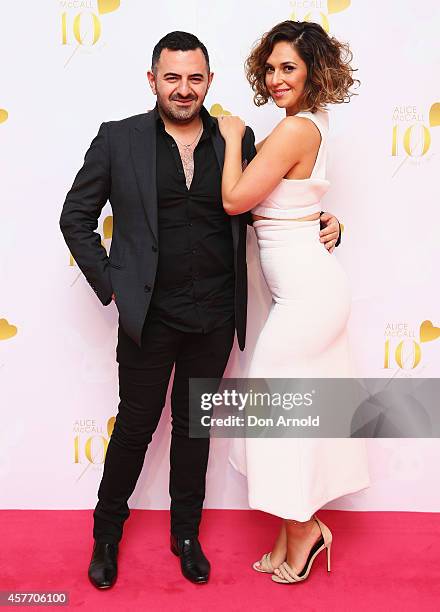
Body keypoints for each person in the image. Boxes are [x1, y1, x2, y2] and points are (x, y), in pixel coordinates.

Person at [59, 30, 342, 589]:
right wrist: (113, 281)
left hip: (214, 316)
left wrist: (328, 224)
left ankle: (185, 536)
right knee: (135, 428)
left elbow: (276, 203)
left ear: (209, 82)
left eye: (194, 78)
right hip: (150, 319)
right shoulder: (119, 140)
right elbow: (76, 216)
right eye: (172, 78)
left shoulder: (235, 140)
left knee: (194, 432)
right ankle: (107, 535)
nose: (183, 89)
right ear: (153, 81)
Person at [218, 20, 370, 584]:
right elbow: (299, 204)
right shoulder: (307, 124)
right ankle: (293, 530)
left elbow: (235, 199)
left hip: (310, 295)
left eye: (290, 68)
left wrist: (233, 137)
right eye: (272, 66)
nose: (276, 78)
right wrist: (327, 221)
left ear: (313, 72)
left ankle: (305, 529)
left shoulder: (294, 131)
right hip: (309, 289)